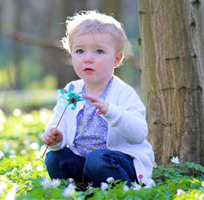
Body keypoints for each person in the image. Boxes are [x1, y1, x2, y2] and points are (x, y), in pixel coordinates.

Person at [42, 10, 155, 188]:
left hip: (115, 164)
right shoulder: (71, 90)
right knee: (54, 158)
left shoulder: (123, 93)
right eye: (80, 51)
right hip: (83, 163)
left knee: (97, 159)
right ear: (71, 54)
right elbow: (59, 124)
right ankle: (82, 187)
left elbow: (139, 133)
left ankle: (119, 189)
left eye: (99, 51)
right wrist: (56, 139)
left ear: (117, 59)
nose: (88, 59)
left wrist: (111, 111)